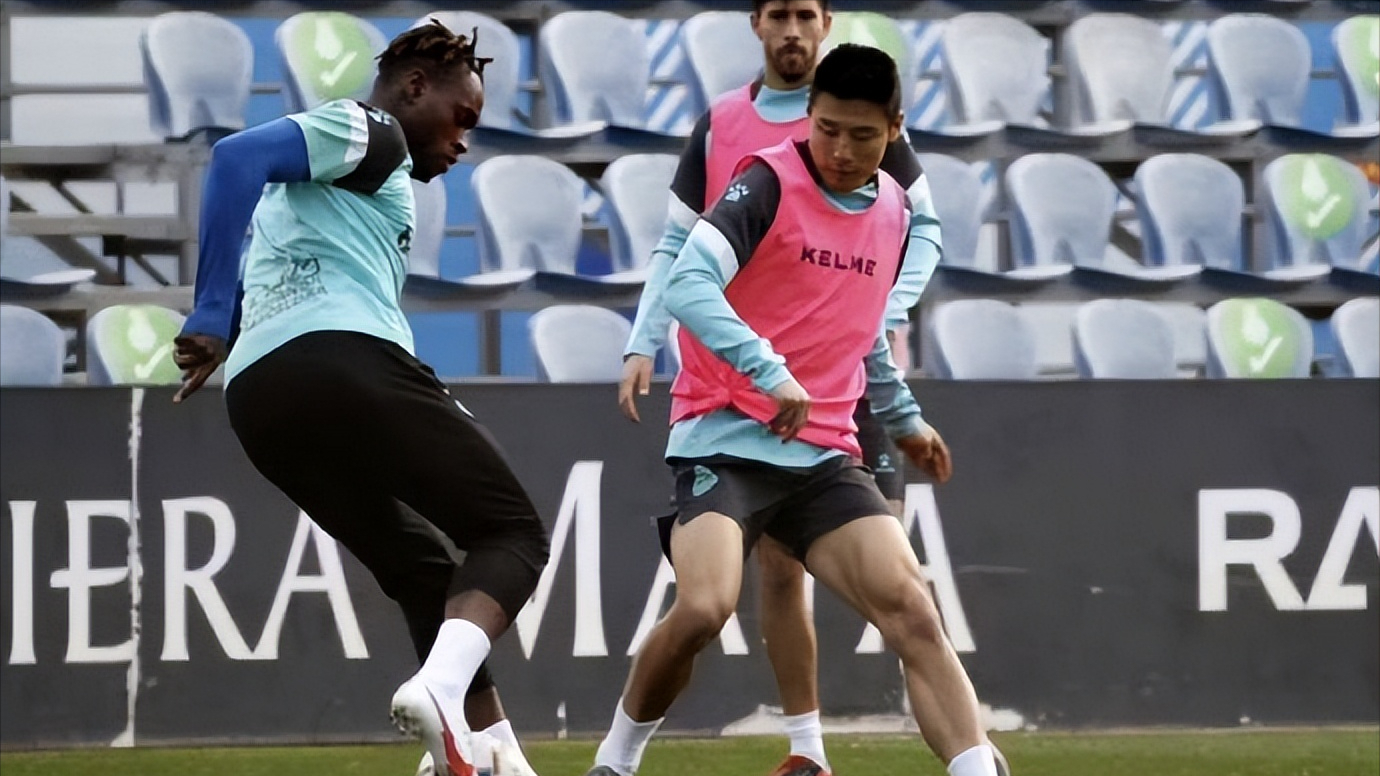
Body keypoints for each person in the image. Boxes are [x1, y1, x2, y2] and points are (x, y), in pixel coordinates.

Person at [585, 45, 1005, 776]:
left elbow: (864, 331)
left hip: (822, 456)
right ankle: (615, 762)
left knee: (912, 611)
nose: (840, 151)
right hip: (724, 437)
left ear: (894, 130)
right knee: (705, 608)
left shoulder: (895, 211)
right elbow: (687, 282)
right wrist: (768, 370)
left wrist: (903, 420)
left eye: (862, 136)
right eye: (827, 129)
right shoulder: (765, 182)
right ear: (808, 114)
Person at [171, 21, 549, 776]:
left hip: (262, 398)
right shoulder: (371, 130)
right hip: (343, 363)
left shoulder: (339, 180)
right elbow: (234, 157)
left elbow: (282, 256)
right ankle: (440, 694)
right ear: (415, 87)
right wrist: (209, 309)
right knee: (512, 533)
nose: (463, 142)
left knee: (421, 571)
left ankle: (490, 749)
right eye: (461, 117)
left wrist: (229, 323)